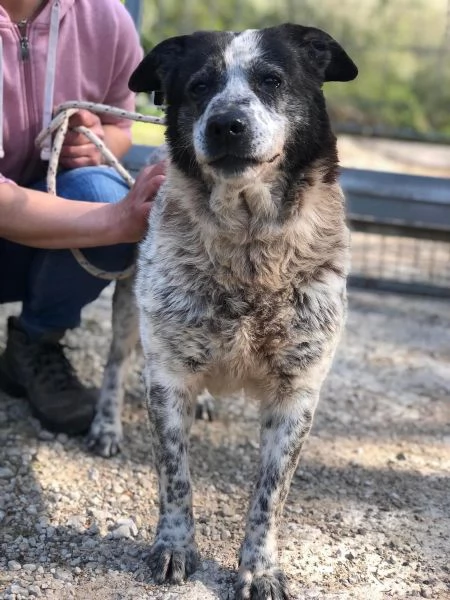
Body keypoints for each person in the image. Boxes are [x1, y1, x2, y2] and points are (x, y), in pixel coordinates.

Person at [0, 0, 165, 435]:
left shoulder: (106, 18)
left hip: (45, 220)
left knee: (100, 188)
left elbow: (120, 129)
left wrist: (96, 142)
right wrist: (118, 221)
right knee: (113, 209)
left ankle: (35, 343)